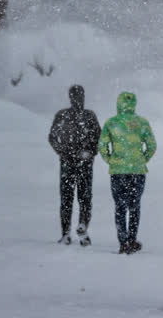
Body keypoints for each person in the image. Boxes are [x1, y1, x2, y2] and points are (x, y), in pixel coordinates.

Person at [98, 91, 156, 254]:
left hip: (118, 171)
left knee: (120, 207)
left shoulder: (111, 123)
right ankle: (132, 240)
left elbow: (102, 146)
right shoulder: (142, 123)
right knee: (135, 206)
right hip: (137, 170)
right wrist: (142, 159)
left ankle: (123, 242)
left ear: (118, 104)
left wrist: (111, 160)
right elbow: (152, 145)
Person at [48, 84, 101, 246]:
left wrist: (63, 153)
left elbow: (52, 137)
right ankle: (82, 228)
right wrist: (89, 153)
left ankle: (66, 234)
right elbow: (99, 139)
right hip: (84, 163)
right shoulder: (89, 116)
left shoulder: (62, 115)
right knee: (84, 198)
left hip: (67, 163)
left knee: (66, 199)